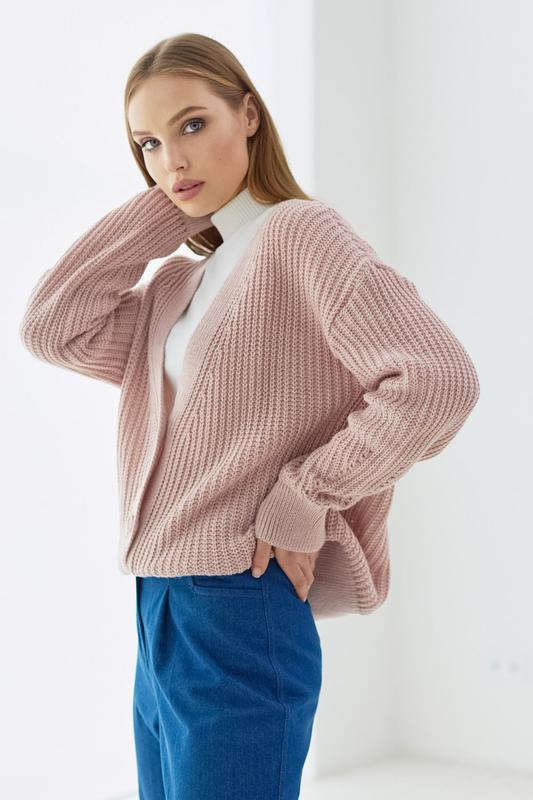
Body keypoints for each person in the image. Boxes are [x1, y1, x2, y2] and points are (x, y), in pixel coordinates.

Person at [19, 32, 480, 800]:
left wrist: (304, 496)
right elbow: (52, 327)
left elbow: (436, 381)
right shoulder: (176, 284)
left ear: (249, 115)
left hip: (237, 594)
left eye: (192, 125)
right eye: (149, 143)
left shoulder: (299, 235)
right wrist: (168, 210)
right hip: (159, 603)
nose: (172, 159)